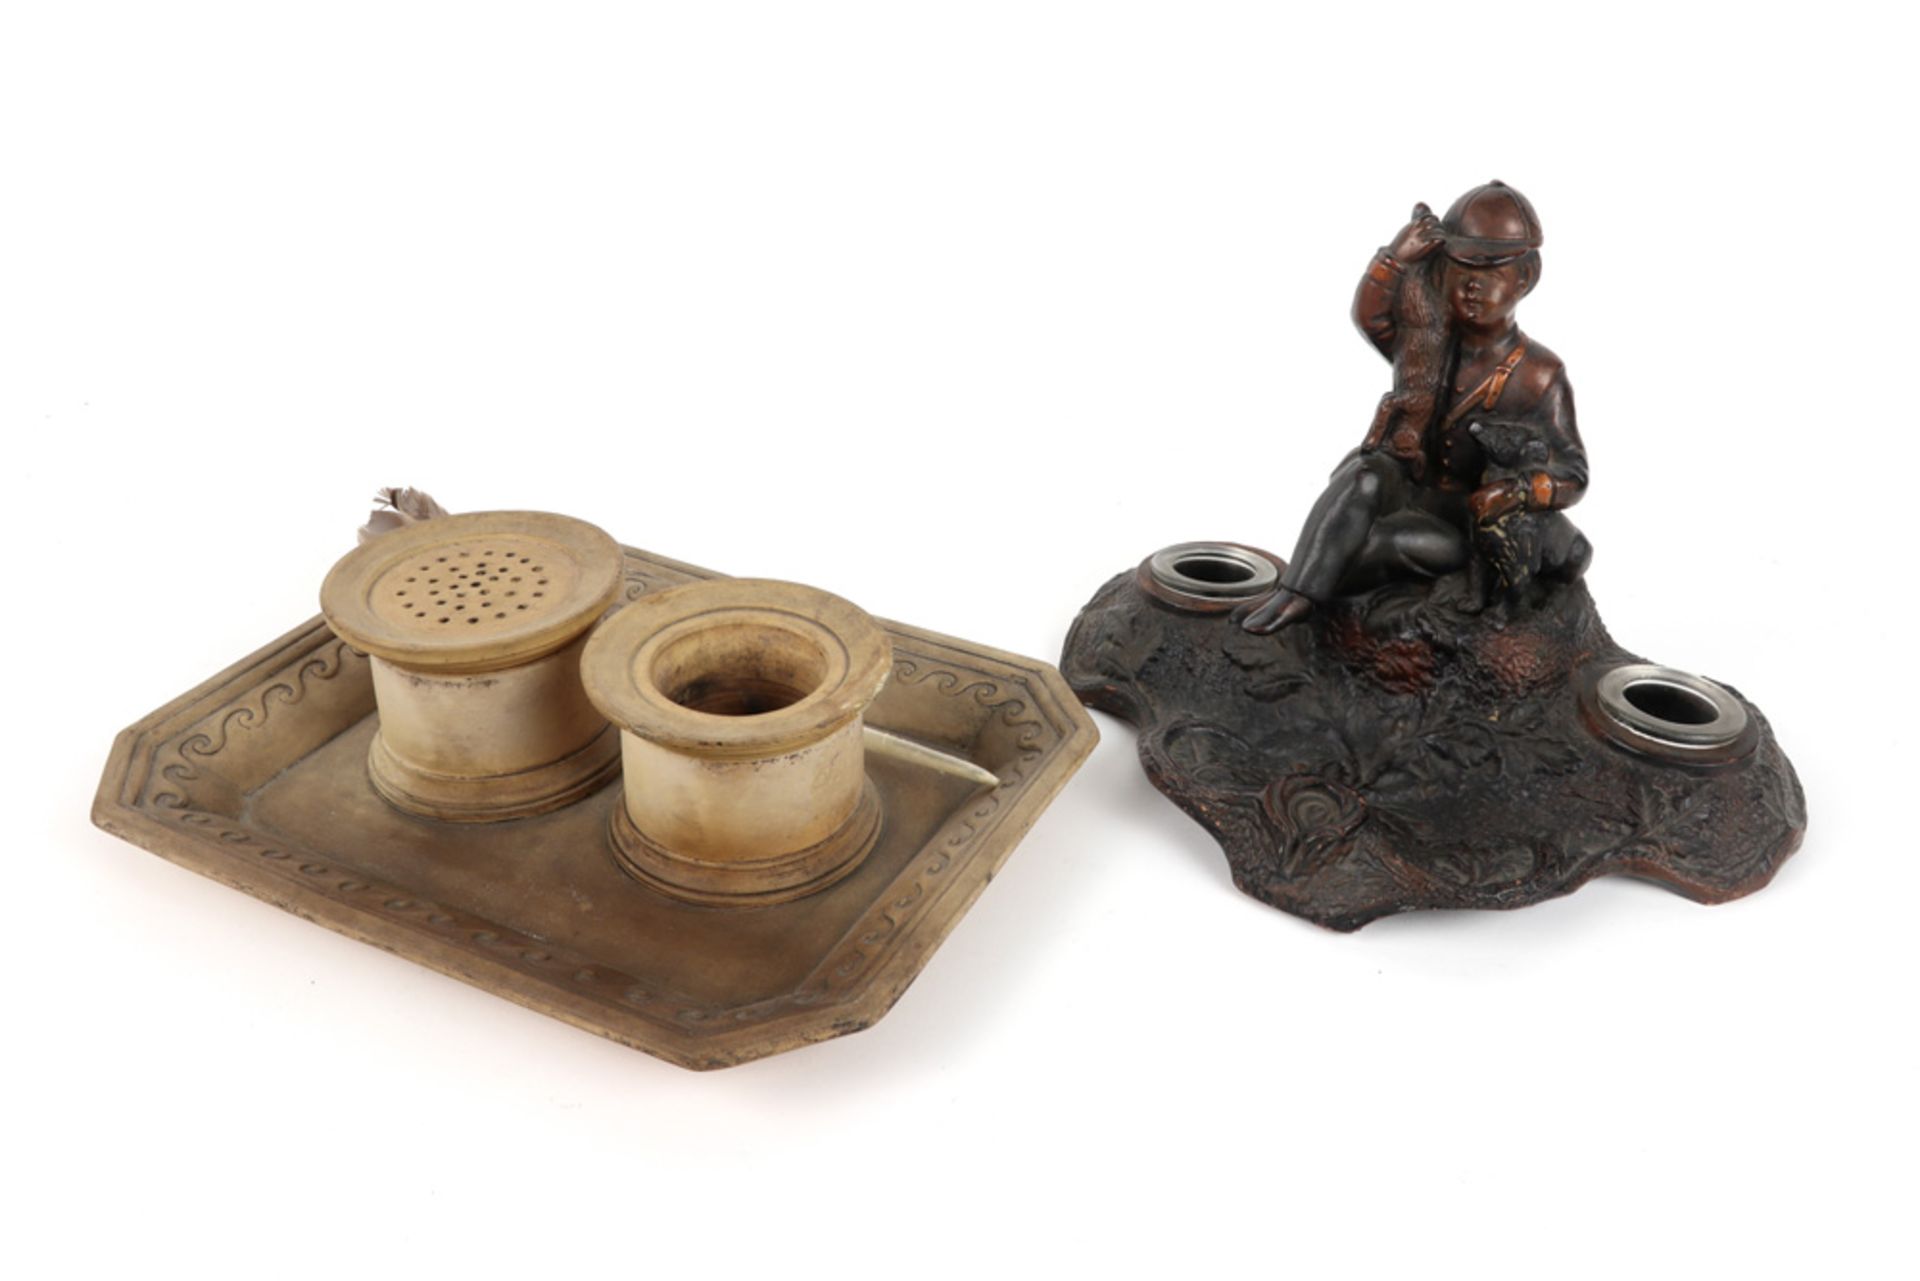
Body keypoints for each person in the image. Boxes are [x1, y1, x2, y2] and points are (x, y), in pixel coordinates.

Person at [1235, 181, 1592, 634]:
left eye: (1489, 272)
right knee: (1362, 476)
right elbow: (1373, 319)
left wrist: (1518, 492)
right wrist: (1395, 259)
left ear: (1525, 278)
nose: (1471, 286)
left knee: (1377, 545)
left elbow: (1573, 474)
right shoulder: (1429, 342)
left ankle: (1317, 596)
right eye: (1459, 270)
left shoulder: (1538, 374)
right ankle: (1295, 594)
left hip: (1465, 526)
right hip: (1410, 484)